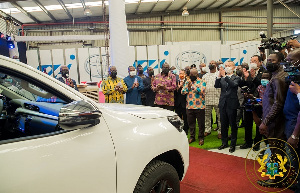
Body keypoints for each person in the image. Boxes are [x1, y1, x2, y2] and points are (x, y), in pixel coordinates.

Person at [257, 52, 288, 187]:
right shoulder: (276, 75)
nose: (269, 62)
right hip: (274, 120)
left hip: (274, 121)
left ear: (280, 61)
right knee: (276, 150)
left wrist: (265, 121)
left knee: (275, 151)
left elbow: (278, 103)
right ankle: (280, 178)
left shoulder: (278, 78)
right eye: (268, 59)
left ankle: (275, 179)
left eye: (272, 60)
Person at [283, 48, 300, 192]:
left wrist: (295, 134)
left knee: (297, 157)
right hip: (290, 120)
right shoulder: (293, 77)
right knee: (294, 158)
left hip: (295, 122)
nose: (287, 64)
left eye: (291, 61)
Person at [215, 61, 240, 153]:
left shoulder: (236, 77)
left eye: (229, 66)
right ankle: (224, 142)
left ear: (234, 68)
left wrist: (225, 76)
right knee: (223, 124)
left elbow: (233, 85)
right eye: (226, 66)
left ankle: (233, 144)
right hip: (223, 103)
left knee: (233, 124)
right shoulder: (222, 78)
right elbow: (216, 85)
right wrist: (219, 76)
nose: (227, 67)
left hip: (232, 104)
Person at [181, 68, 206, 145]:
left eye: (193, 74)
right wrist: (188, 88)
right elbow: (182, 91)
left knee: (201, 123)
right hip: (189, 106)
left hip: (200, 106)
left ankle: (201, 137)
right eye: (190, 74)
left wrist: (192, 86)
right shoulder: (187, 82)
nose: (191, 76)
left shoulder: (202, 81)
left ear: (197, 74)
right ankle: (192, 137)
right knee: (191, 123)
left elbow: (202, 90)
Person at [202, 61, 221, 139]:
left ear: (216, 65)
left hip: (217, 98)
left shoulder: (219, 74)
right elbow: (202, 86)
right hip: (207, 98)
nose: (211, 64)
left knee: (220, 117)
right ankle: (207, 130)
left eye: (213, 63)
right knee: (207, 116)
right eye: (210, 63)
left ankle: (220, 131)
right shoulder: (205, 76)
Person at [174, 69, 189, 134]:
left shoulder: (187, 82)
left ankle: (186, 129)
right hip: (177, 103)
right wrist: (178, 87)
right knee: (178, 117)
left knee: (185, 117)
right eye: (180, 73)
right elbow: (174, 91)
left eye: (182, 74)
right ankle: (178, 129)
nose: (181, 75)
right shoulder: (176, 81)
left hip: (185, 102)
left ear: (185, 74)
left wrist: (183, 87)